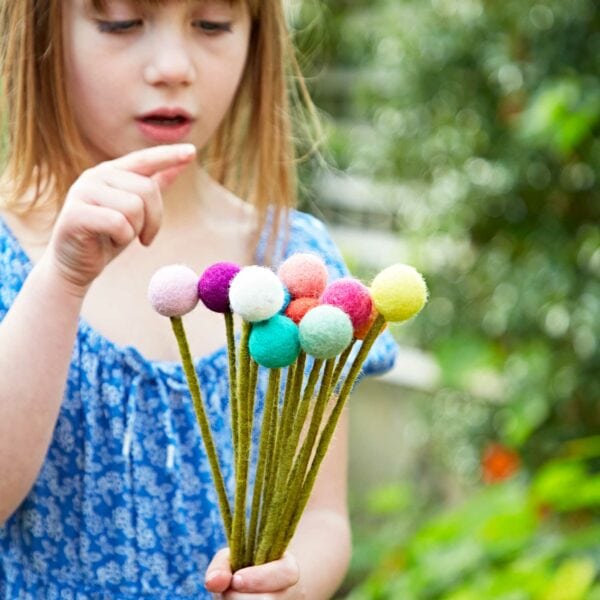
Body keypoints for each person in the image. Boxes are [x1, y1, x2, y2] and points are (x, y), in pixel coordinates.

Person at [0, 0, 397, 598]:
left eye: (212, 24)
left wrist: (290, 585)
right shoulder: (14, 254)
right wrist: (62, 276)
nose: (172, 66)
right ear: (40, 32)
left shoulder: (295, 263)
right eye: (120, 23)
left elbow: (322, 519)